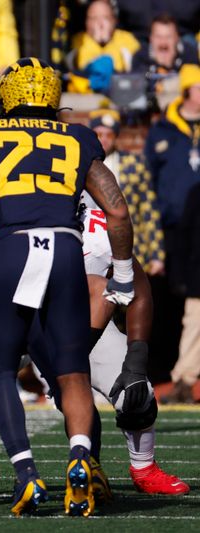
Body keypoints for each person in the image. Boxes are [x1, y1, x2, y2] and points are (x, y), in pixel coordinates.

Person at [0, 57, 135, 516]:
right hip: (65, 249)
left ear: (6, 97)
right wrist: (122, 271)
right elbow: (118, 210)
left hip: (12, 249)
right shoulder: (79, 136)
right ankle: (81, 456)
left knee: (0, 370)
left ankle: (26, 475)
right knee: (72, 372)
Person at [0, 207, 188, 509]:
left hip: (81, 332)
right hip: (16, 326)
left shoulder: (100, 230)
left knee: (136, 392)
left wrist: (136, 360)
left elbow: (138, 290)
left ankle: (141, 467)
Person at [145, 63, 200, 385]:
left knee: (196, 299)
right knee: (163, 299)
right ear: (188, 91)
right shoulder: (163, 129)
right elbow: (150, 179)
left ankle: (186, 371)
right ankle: (158, 368)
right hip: (170, 228)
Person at [88, 108, 165, 275]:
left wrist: (156, 253)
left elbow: (148, 207)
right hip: (89, 244)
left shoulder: (133, 163)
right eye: (99, 134)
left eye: (109, 135)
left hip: (129, 244)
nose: (104, 140)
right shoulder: (80, 162)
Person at [162, 182, 200, 403]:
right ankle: (184, 383)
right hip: (198, 276)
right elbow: (184, 234)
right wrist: (180, 274)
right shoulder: (196, 191)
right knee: (193, 329)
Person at [66, 0, 140, 94]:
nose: (100, 24)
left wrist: (107, 41)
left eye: (105, 18)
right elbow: (81, 67)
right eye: (94, 18)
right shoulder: (79, 40)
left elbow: (133, 71)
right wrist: (98, 43)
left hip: (119, 94)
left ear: (114, 20)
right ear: (87, 22)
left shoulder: (127, 39)